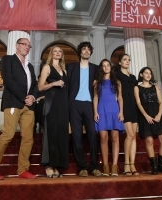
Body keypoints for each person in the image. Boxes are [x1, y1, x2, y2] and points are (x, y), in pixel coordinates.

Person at [0, 38, 38, 180]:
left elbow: (35, 85)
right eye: (24, 44)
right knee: (8, 134)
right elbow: (8, 79)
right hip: (14, 102)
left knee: (28, 138)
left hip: (28, 106)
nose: (27, 47)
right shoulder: (8, 60)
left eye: (29, 46)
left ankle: (23, 170)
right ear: (17, 46)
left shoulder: (30, 66)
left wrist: (32, 96)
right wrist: (24, 97)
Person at [67, 41, 101, 177]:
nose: (86, 51)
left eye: (88, 50)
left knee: (92, 134)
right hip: (74, 103)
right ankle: (82, 167)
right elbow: (67, 88)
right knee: (76, 135)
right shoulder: (71, 67)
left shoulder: (95, 68)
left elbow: (100, 87)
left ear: (91, 52)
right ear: (80, 51)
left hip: (89, 104)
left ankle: (94, 166)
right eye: (84, 49)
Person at [134, 67, 162, 175]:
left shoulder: (156, 87)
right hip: (145, 115)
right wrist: (146, 116)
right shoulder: (137, 88)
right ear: (141, 74)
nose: (148, 75)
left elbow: (161, 102)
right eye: (146, 73)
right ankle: (154, 166)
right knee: (149, 141)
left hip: (158, 114)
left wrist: (159, 114)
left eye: (150, 73)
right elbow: (138, 103)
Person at [38, 45, 69, 178]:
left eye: (59, 51)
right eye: (55, 51)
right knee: (52, 133)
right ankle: (49, 165)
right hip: (52, 104)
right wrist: (53, 84)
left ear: (62, 54)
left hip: (63, 104)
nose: (57, 53)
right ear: (51, 54)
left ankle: (56, 165)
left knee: (61, 134)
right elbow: (40, 87)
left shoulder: (64, 70)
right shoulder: (47, 67)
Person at [93, 59, 124, 176]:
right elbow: (95, 98)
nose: (106, 67)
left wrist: (121, 112)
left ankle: (114, 167)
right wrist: (95, 112)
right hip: (101, 110)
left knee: (115, 137)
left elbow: (120, 98)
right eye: (103, 66)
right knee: (103, 137)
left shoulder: (117, 82)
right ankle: (105, 167)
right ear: (101, 68)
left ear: (111, 67)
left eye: (108, 65)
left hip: (114, 109)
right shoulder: (97, 83)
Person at [115, 54, 139, 175]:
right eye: (124, 59)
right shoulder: (117, 74)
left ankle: (132, 164)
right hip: (124, 105)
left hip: (134, 105)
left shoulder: (133, 77)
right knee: (129, 135)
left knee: (133, 136)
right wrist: (120, 110)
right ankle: (126, 164)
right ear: (119, 62)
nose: (127, 61)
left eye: (129, 60)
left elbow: (137, 92)